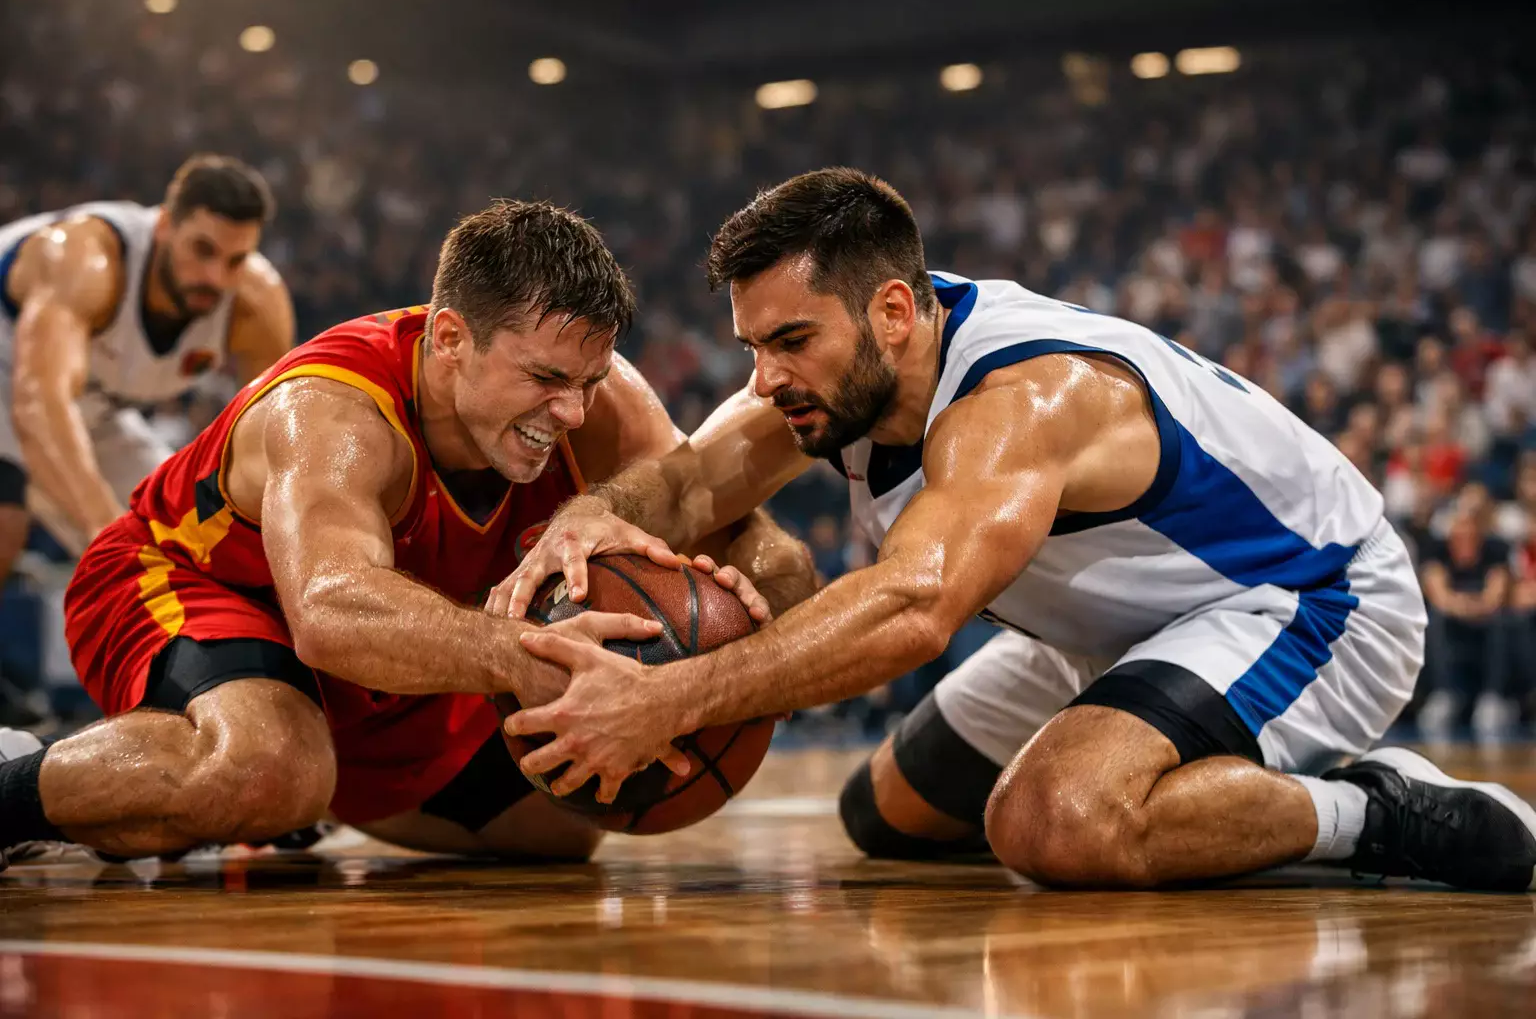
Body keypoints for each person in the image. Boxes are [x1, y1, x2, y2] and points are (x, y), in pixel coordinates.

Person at [493, 168, 1536, 892]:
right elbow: (685, 485)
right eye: (753, 346)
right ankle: (1166, 768)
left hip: (1307, 600)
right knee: (885, 817)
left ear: (892, 312)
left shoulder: (1022, 399)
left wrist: (664, 699)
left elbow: (914, 609)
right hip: (1112, 632)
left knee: (1054, 821)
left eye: (791, 340)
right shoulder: (839, 379)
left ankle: (1375, 811)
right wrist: (583, 520)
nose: (765, 379)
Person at [0, 200, 814, 867]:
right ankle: (17, 781)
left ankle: (273, 788)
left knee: (560, 825)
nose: (570, 410)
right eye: (545, 379)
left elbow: (740, 529)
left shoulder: (595, 402)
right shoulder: (334, 412)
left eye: (589, 380)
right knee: (269, 770)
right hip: (188, 580)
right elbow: (330, 612)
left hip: (369, 651)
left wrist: (752, 617)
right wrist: (527, 659)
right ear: (452, 339)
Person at [0, 153, 295, 580]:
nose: (215, 277)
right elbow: (37, 405)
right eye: (203, 250)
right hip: (20, 379)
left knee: (188, 541)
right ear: (164, 225)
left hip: (91, 407)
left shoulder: (256, 305)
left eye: (235, 261)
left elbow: (274, 443)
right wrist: (104, 532)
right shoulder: (85, 261)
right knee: (9, 524)